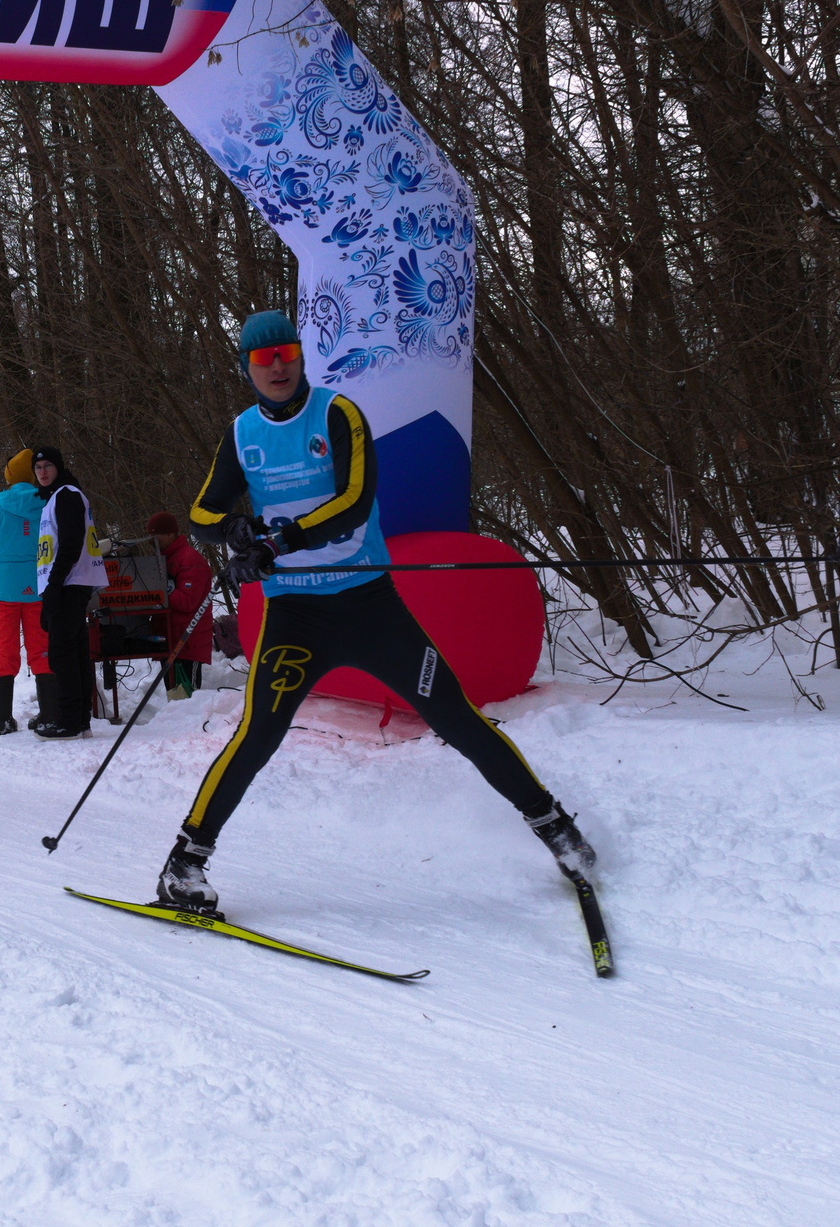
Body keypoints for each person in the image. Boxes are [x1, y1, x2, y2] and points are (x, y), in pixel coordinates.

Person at [157, 310, 597, 913]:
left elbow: (354, 504)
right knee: (256, 736)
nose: (277, 366)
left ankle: (557, 830)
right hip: (295, 619)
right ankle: (184, 864)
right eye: (263, 360)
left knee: (456, 718)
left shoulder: (337, 414)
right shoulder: (241, 434)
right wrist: (235, 531)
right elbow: (201, 514)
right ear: (248, 370)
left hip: (371, 607)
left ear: (301, 355)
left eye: (285, 352)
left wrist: (277, 544)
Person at [0, 448, 52, 734]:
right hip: (39, 590)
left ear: (8, 476)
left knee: (4, 651)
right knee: (42, 650)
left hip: (3, 590)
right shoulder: (47, 503)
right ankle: (48, 715)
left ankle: (2, 720)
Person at [29, 444, 108, 738]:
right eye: (38, 468)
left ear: (58, 467)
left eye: (48, 466)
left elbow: (72, 544)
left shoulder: (67, 496)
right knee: (74, 651)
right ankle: (80, 719)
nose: (43, 472)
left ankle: (68, 720)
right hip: (70, 581)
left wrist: (53, 585)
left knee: (62, 653)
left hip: (69, 582)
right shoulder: (58, 497)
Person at [146, 511, 212, 696]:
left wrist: (162, 591)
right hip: (170, 638)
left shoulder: (189, 560)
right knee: (174, 696)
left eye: (155, 535)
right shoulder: (165, 559)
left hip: (187, 641)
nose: (153, 540)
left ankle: (194, 725)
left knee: (186, 697)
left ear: (169, 533)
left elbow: (188, 602)